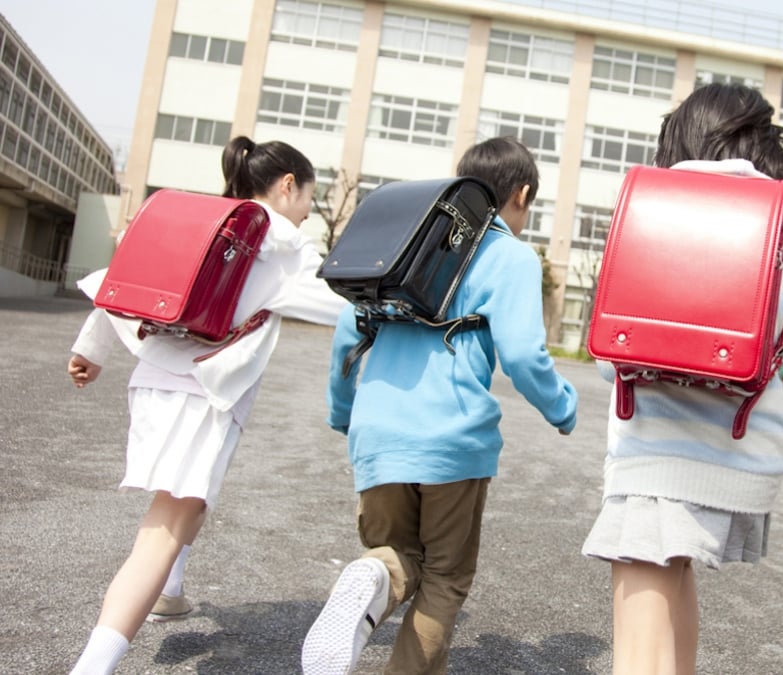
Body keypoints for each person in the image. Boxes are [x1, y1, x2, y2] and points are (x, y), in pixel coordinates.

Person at [580, 83, 783, 674]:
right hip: (743, 463)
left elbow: (606, 356)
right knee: (676, 595)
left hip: (654, 464)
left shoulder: (647, 216)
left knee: (638, 656)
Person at [67, 136, 347, 674]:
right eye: (309, 197)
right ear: (288, 185)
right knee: (165, 525)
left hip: (153, 382)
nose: (309, 210)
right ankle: (93, 665)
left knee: (190, 499)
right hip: (206, 395)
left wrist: (90, 350)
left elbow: (124, 278)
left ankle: (169, 591)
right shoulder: (284, 243)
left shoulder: (198, 217)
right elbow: (338, 305)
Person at [302, 136, 578, 675]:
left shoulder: (401, 245)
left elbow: (346, 335)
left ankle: (373, 574)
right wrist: (562, 408)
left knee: (395, 556)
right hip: (453, 440)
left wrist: (343, 412)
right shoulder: (510, 256)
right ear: (521, 194)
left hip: (377, 431)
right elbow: (523, 354)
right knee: (446, 577)